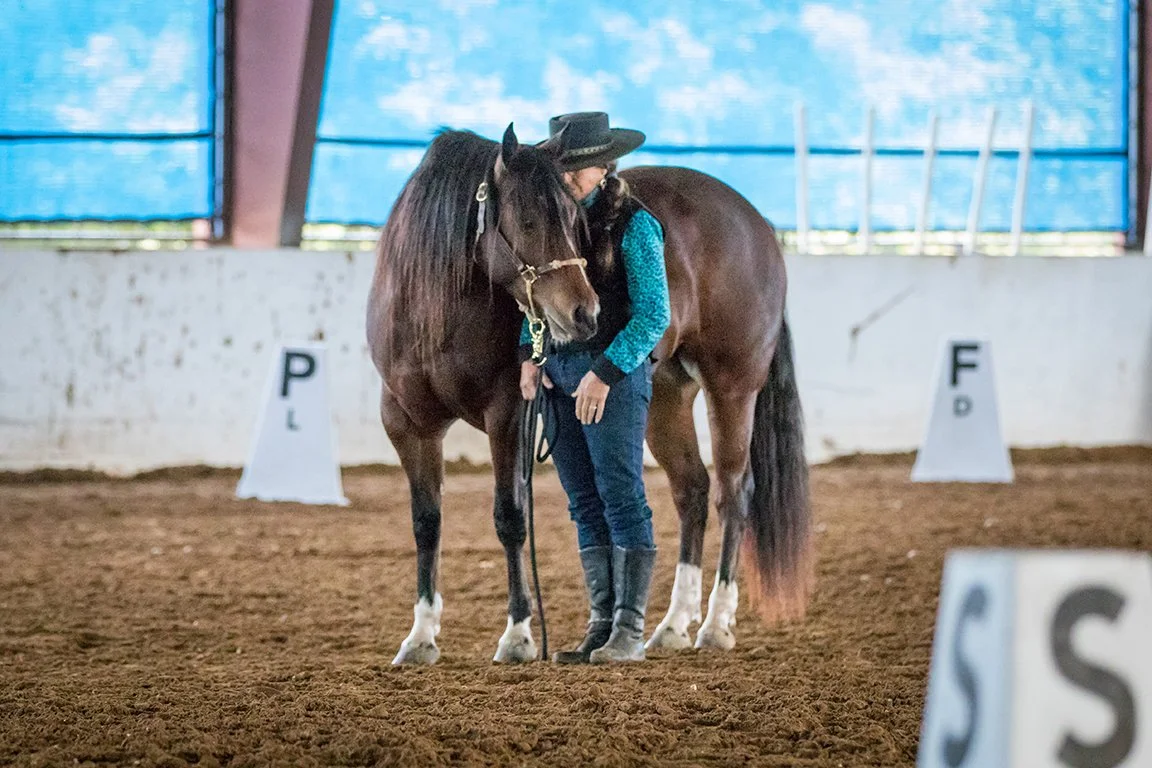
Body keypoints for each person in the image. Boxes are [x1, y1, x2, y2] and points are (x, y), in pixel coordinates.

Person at [519, 112, 671, 664]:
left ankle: (628, 629)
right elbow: (535, 294)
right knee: (584, 502)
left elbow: (654, 314)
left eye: (576, 170)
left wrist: (604, 374)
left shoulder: (635, 224)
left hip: (611, 379)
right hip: (558, 375)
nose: (566, 179)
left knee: (621, 494)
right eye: (562, 169)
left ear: (605, 168)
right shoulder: (556, 221)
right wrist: (530, 356)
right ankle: (602, 622)